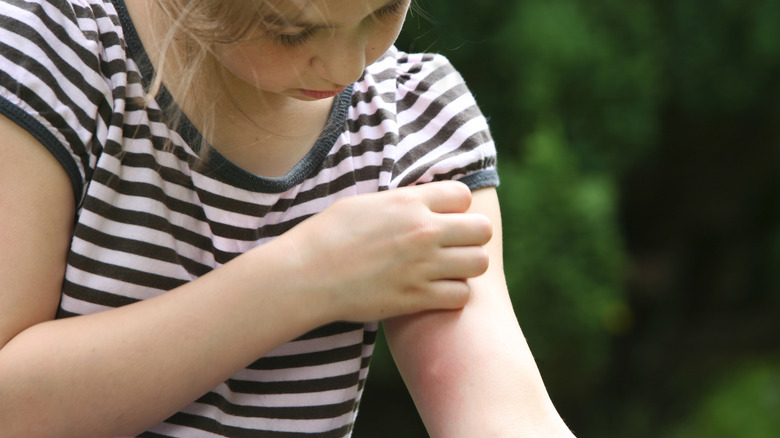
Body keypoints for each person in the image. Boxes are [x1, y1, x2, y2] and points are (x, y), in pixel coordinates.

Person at [0, 0, 575, 436]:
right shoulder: (49, 56)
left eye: (383, 10)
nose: (348, 65)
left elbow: (504, 414)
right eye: (292, 28)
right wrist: (306, 277)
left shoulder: (414, 123)